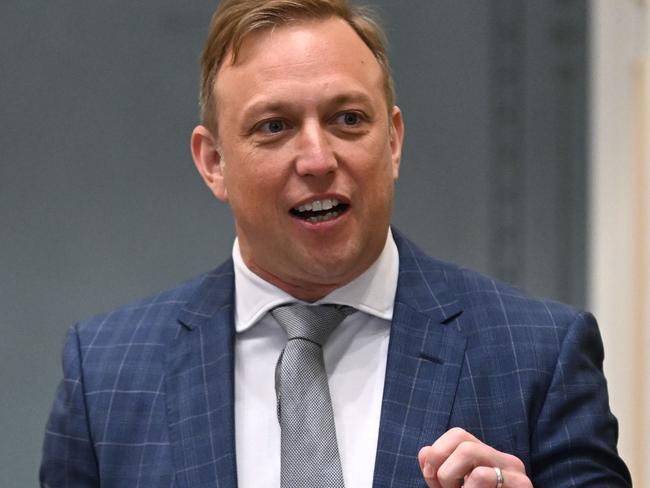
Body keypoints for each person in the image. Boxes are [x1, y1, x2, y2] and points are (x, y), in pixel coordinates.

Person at [40, 0, 631, 487]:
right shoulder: (107, 374)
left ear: (393, 141)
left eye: (348, 119)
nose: (319, 160)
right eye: (274, 126)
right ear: (213, 162)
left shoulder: (539, 356)